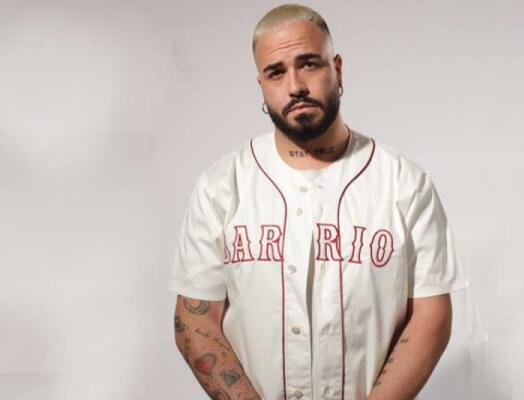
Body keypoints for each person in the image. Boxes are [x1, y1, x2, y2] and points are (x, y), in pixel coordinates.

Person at [167, 4, 470, 400]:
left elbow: (431, 316)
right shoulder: (221, 187)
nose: (295, 85)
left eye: (308, 64)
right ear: (262, 85)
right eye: (276, 72)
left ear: (337, 69)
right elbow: (194, 319)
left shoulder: (404, 184)